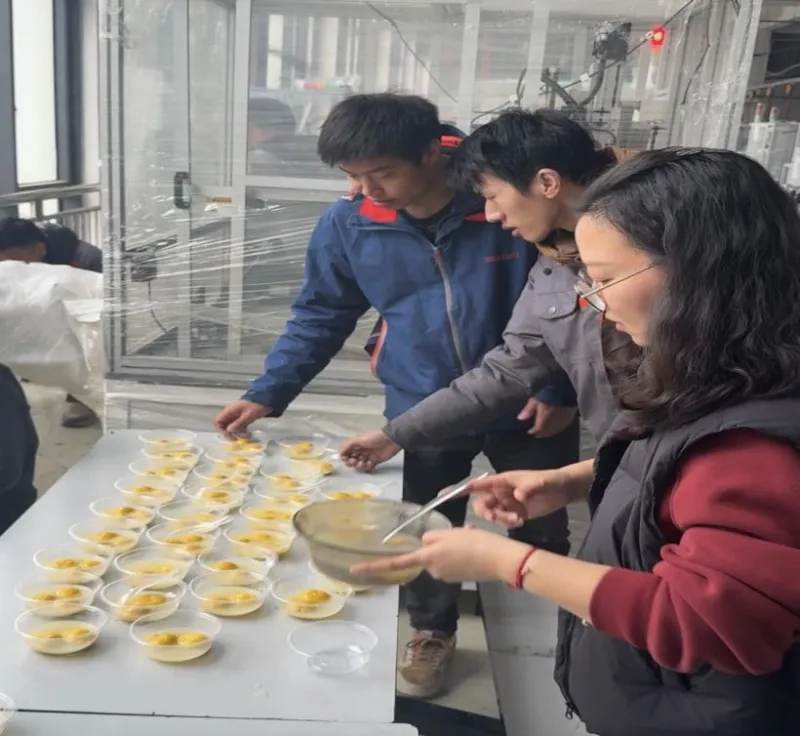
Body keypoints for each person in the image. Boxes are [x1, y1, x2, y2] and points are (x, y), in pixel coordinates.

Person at [352, 148, 800, 735]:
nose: (595, 304)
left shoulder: (753, 444)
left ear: (701, 272)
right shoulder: (720, 375)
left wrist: (508, 562)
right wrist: (573, 480)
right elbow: (678, 474)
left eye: (607, 279)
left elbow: (706, 622)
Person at [213, 93, 580, 698]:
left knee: (539, 517)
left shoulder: (501, 203)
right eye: (353, 176)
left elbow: (567, 295)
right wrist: (268, 391)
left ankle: (559, 632)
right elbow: (321, 314)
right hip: (422, 399)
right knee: (423, 524)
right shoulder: (350, 223)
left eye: (381, 172)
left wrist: (558, 386)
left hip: (529, 398)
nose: (366, 190)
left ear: (432, 152)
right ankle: (432, 631)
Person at [338, 109, 631, 470]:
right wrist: (395, 436)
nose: (491, 214)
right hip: (632, 461)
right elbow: (510, 367)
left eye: (492, 196)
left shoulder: (661, 243)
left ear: (547, 183)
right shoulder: (554, 264)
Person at [0, 216, 102, 428]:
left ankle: (80, 398)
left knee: (84, 351)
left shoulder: (87, 261)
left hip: (81, 319)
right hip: (37, 314)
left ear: (40, 249)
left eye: (14, 264)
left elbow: (98, 320)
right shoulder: (17, 256)